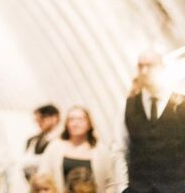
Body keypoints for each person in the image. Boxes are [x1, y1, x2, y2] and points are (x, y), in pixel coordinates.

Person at [114, 48, 185, 193]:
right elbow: (120, 149)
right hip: (137, 188)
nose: (144, 71)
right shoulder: (128, 105)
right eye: (140, 66)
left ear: (162, 68)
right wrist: (122, 186)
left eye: (150, 65)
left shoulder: (181, 104)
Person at [37, 106, 112, 192]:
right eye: (71, 119)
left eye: (80, 119)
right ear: (66, 124)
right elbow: (43, 175)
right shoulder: (55, 147)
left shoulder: (100, 150)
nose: (75, 124)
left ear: (89, 124)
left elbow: (110, 181)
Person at [23, 104, 61, 181]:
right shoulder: (33, 140)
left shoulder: (62, 140)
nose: (39, 123)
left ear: (54, 118)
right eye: (37, 120)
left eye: (41, 119)